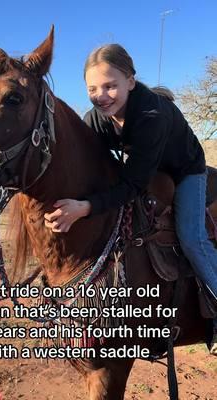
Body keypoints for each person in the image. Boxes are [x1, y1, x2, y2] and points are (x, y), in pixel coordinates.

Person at [44, 44, 217, 354]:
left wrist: (85, 207)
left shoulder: (151, 115)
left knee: (192, 238)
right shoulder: (96, 118)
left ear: (131, 82)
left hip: (184, 170)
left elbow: (133, 184)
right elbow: (88, 162)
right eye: (93, 88)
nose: (101, 95)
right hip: (144, 166)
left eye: (110, 86)